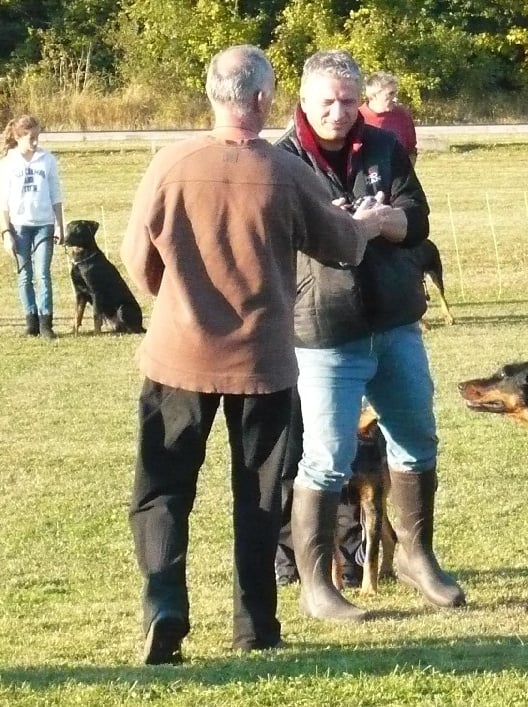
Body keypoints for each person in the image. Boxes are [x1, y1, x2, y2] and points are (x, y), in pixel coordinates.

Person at [121, 44, 389, 664]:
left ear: (213, 95)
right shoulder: (285, 171)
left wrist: (178, 300)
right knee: (260, 495)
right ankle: (255, 622)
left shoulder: (169, 163)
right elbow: (342, 246)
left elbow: (140, 259)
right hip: (263, 362)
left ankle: (164, 603)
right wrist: (368, 224)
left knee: (162, 488)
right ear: (265, 99)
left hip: (177, 354)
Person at [275, 49, 465, 622]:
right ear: (304, 101)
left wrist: (382, 221)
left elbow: (417, 220)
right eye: (327, 101)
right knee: (328, 459)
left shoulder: (384, 146)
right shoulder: (282, 160)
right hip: (324, 331)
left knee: (417, 441)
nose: (339, 111)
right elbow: (275, 237)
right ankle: (318, 585)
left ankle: (416, 558)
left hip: (396, 321)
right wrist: (334, 226)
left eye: (349, 100)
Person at [0, 115, 65, 339]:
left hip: (43, 225)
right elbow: (3, 202)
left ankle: (47, 323)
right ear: (18, 137)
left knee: (43, 274)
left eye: (37, 137)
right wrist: (6, 233)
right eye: (31, 138)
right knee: (24, 275)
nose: (35, 142)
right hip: (19, 227)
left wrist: (59, 225)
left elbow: (56, 194)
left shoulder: (47, 160)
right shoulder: (8, 163)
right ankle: (31, 321)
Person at [359, 71, 418, 165]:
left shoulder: (403, 116)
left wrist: (406, 174)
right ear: (374, 95)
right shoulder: (357, 118)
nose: (395, 98)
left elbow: (411, 150)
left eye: (395, 93)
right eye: (390, 94)